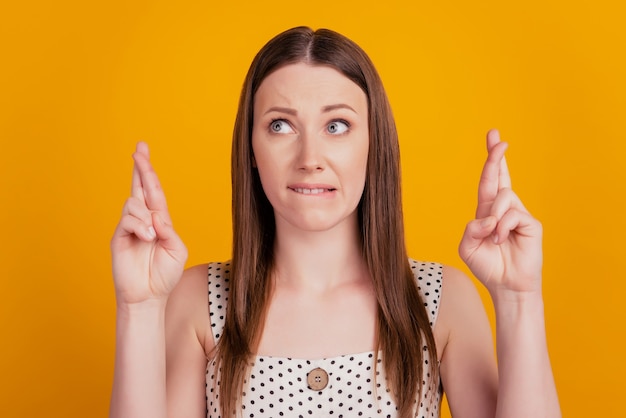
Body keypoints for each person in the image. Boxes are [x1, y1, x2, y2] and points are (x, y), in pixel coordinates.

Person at [109, 26, 561, 418]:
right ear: (250, 149)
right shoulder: (197, 301)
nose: (310, 159)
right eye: (281, 126)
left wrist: (519, 299)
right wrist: (139, 309)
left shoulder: (439, 301)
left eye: (337, 126)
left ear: (372, 143)